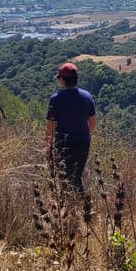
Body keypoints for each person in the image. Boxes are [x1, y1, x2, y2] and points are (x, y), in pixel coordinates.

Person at [45, 62, 97, 192]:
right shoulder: (87, 97)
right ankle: (82, 206)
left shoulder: (56, 99)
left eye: (59, 78)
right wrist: (86, 136)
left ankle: (79, 206)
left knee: (64, 177)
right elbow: (92, 122)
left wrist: (48, 148)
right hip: (83, 143)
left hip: (63, 144)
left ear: (62, 79)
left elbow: (51, 127)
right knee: (76, 176)